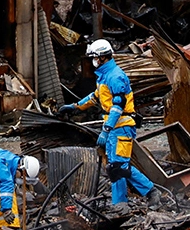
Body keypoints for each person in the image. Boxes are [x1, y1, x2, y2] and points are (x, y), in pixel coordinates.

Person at [59, 39, 159, 206]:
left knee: (119, 166)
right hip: (114, 128)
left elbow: (117, 107)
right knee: (113, 168)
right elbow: (95, 97)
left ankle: (151, 191)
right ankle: (119, 203)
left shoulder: (116, 76)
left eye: (94, 58)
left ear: (103, 57)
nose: (93, 61)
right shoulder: (104, 76)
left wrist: (105, 130)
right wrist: (75, 107)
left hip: (122, 127)